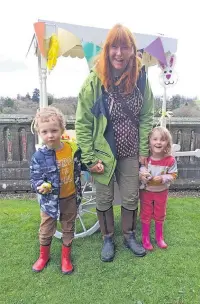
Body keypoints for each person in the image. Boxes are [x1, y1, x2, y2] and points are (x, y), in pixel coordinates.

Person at [75, 24, 154, 262]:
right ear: (107, 49)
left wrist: (143, 150)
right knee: (104, 198)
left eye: (125, 47)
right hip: (102, 153)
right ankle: (108, 238)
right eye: (114, 47)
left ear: (132, 50)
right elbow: (83, 122)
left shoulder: (140, 78)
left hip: (130, 152)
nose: (119, 53)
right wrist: (89, 158)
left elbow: (146, 115)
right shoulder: (95, 80)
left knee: (131, 197)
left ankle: (129, 236)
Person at [30, 106, 82, 274]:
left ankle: (65, 258)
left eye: (54, 130)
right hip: (49, 201)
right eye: (45, 132)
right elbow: (35, 179)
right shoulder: (38, 157)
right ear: (39, 133)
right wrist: (40, 187)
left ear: (62, 129)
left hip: (70, 197)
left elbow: (81, 166)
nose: (50, 135)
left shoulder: (72, 148)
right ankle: (43, 257)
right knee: (45, 229)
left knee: (68, 227)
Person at [139, 126, 178, 250]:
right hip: (146, 191)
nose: (158, 142)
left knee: (160, 213)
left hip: (162, 192)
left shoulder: (170, 160)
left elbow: (173, 175)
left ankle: (159, 237)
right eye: (155, 139)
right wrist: (143, 174)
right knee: (146, 213)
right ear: (149, 141)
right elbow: (141, 169)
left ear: (167, 143)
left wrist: (162, 178)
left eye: (162, 140)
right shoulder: (146, 159)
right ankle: (145, 238)